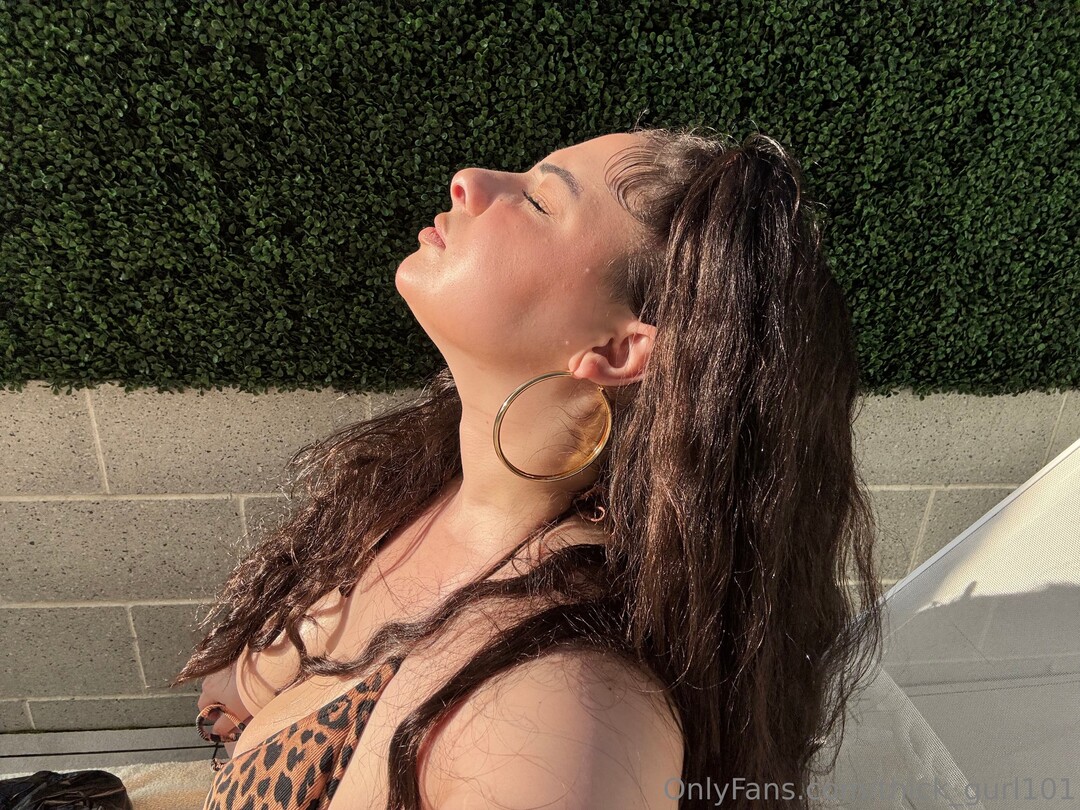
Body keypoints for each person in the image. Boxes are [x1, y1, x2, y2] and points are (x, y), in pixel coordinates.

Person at [173, 125, 885, 810]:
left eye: (542, 201)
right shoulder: (413, 480)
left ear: (616, 351)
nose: (470, 181)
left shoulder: (568, 712)